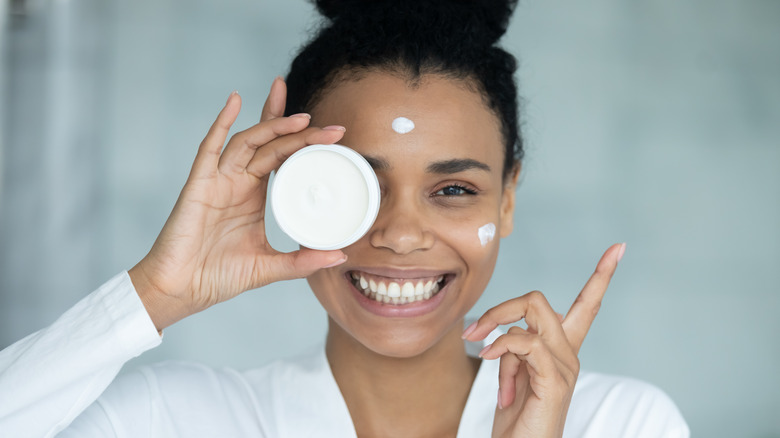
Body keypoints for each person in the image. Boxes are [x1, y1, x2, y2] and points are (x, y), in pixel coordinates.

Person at [0, 0, 689, 436]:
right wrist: (156, 291)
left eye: (453, 190)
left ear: (507, 198)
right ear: (292, 186)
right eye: (357, 183)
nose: (399, 234)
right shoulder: (176, 419)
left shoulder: (619, 423)